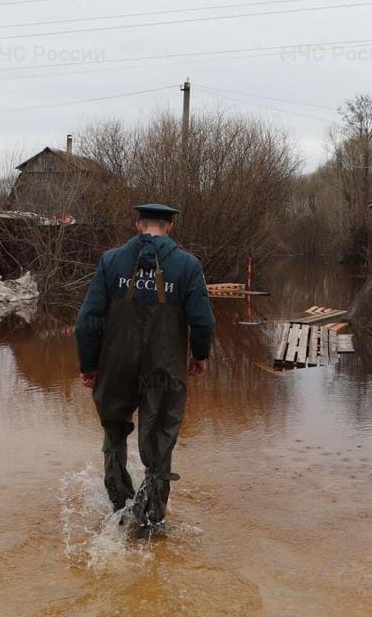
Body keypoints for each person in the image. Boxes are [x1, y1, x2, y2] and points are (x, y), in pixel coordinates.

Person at [75, 202, 215, 531]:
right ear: (170, 227)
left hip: (115, 365)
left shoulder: (111, 261)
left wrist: (89, 365)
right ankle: (152, 520)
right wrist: (200, 355)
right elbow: (203, 320)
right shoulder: (188, 265)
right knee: (160, 439)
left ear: (137, 224)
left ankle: (118, 510)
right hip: (164, 369)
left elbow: (88, 321)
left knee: (114, 432)